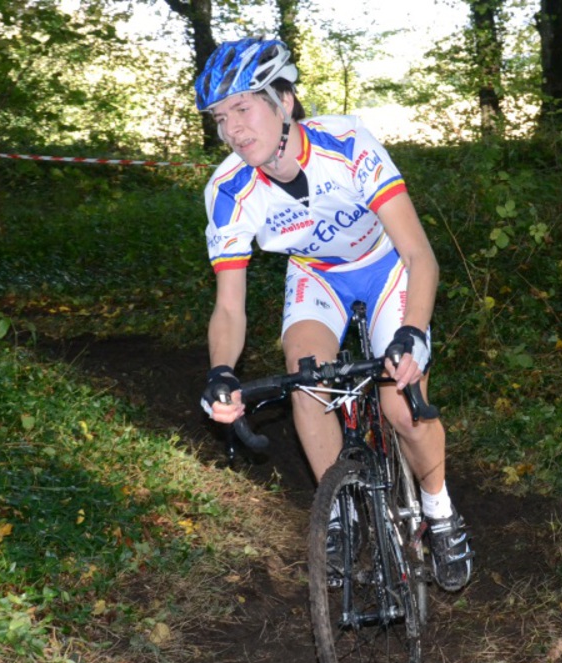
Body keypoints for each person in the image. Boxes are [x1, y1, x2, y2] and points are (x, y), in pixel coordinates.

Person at [194, 37, 473, 591]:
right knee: (306, 379)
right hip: (318, 275)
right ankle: (339, 513)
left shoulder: (347, 144)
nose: (233, 130)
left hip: (387, 264)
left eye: (242, 109)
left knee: (401, 406)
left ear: (284, 102)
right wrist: (221, 370)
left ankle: (439, 510)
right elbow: (228, 305)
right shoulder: (228, 190)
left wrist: (412, 333)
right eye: (221, 119)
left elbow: (420, 255)